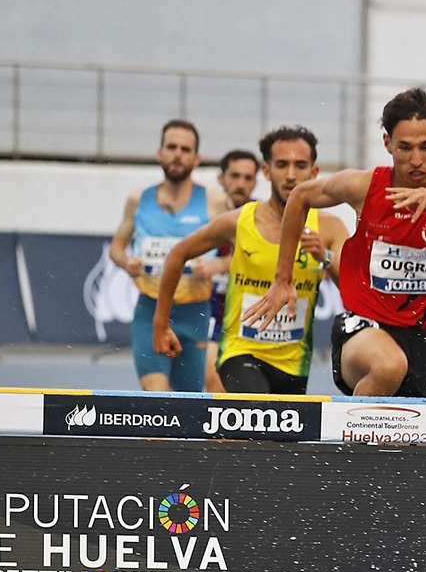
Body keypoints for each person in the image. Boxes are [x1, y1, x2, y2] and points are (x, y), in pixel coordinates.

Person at [243, 88, 426, 398]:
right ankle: (351, 440)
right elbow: (301, 197)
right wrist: (283, 277)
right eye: (405, 148)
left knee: (418, 434)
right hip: (364, 329)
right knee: (388, 366)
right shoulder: (363, 186)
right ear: (387, 143)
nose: (416, 160)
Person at [153, 127, 347, 395]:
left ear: (314, 173)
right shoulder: (240, 220)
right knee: (255, 412)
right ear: (267, 172)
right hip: (241, 352)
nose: (291, 175)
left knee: (276, 436)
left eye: (300, 165)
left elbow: (353, 289)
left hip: (293, 363)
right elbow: (178, 254)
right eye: (282, 165)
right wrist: (160, 323)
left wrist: (324, 258)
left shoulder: (329, 228)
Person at [108, 119, 230, 392]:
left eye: (185, 149)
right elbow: (117, 247)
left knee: (186, 406)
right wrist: (127, 262)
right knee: (157, 400)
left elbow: (244, 253)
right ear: (159, 153)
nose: (177, 154)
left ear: (196, 158)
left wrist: (217, 264)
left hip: (195, 312)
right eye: (171, 147)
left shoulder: (214, 201)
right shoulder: (138, 199)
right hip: (150, 310)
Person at [205, 149, 260, 391]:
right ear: (221, 179)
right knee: (211, 379)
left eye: (248, 178)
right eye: (235, 176)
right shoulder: (206, 217)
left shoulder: (262, 218)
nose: (241, 184)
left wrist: (220, 265)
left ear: (256, 182)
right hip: (210, 318)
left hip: (248, 319)